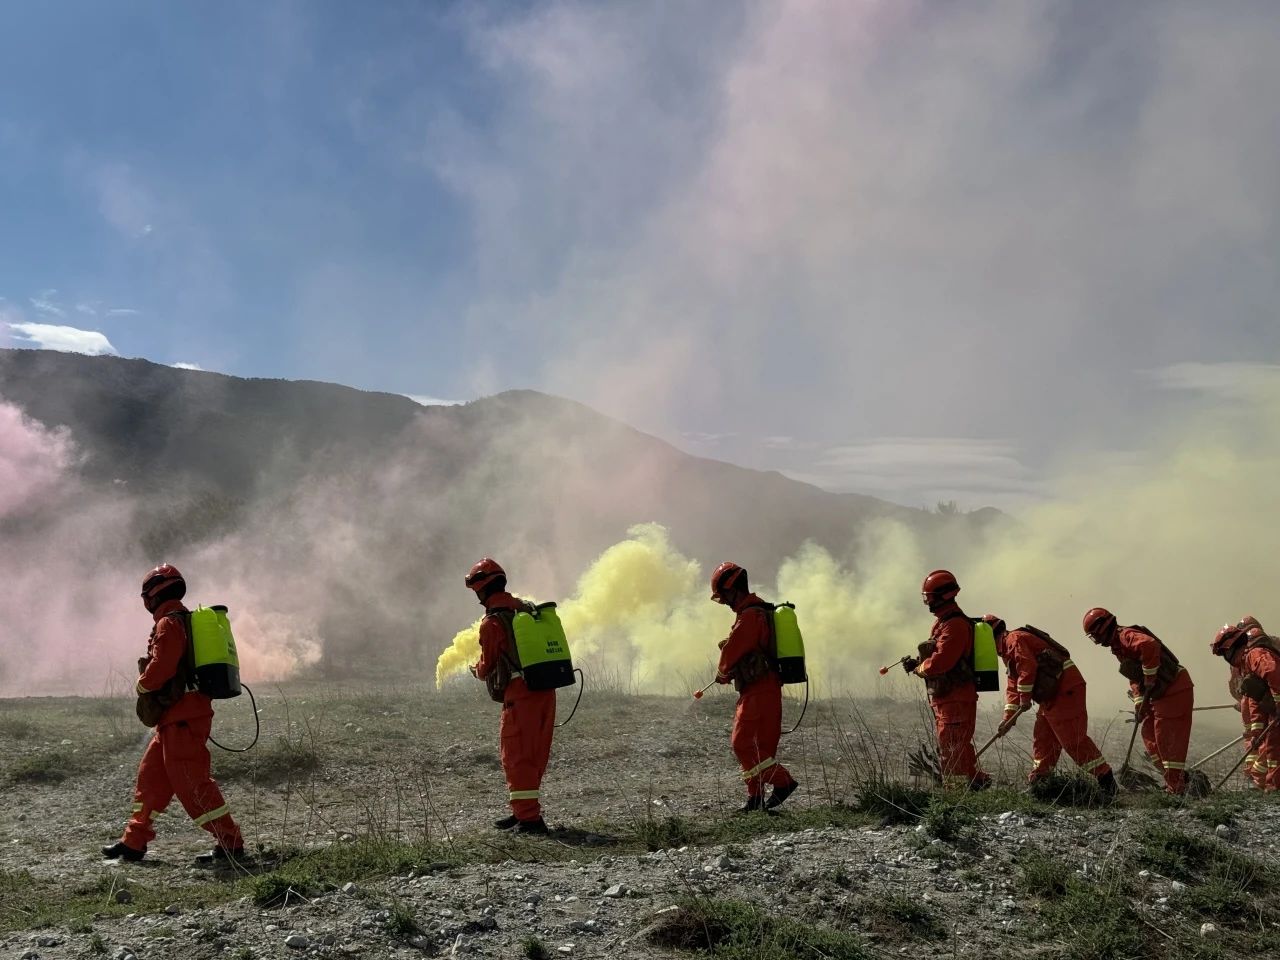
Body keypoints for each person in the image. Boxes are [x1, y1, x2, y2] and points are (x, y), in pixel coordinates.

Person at [102, 565, 245, 864]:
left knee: (192, 785)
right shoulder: (184, 620)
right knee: (151, 779)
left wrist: (142, 686)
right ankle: (133, 842)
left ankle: (230, 844)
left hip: (183, 719)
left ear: (152, 595)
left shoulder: (169, 624)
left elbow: (163, 667)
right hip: (175, 719)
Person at [466, 558, 554, 834]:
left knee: (515, 755)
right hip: (545, 689)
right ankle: (522, 812)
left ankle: (529, 820)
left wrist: (476, 670)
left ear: (483, 589)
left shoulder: (491, 623)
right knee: (534, 752)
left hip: (520, 695)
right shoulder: (524, 609)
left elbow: (487, 665)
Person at [984, 616, 1116, 795]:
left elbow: (1027, 668)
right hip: (1051, 695)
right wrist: (1007, 719)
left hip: (1065, 690)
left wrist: (1024, 699)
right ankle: (1040, 782)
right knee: (1043, 738)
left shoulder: (1014, 640)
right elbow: (1013, 686)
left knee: (1072, 740)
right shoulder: (1007, 649)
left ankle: (1106, 781)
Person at [710, 562, 799, 812]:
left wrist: (722, 672)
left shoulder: (750, 616)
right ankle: (755, 800)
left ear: (733, 589)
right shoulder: (759, 612)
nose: (725, 601)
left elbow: (733, 651)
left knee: (743, 744)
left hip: (757, 690)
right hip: (770, 688)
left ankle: (783, 782)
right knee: (761, 747)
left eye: (725, 595)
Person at [1083, 607, 1194, 794]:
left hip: (1174, 689)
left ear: (1102, 628)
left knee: (1165, 738)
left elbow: (1150, 645)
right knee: (1149, 734)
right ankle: (1175, 779)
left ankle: (1176, 788)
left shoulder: (1126, 635)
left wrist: (1149, 678)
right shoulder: (1118, 647)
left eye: (1095, 635)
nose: (1096, 641)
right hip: (1159, 694)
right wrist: (1139, 701)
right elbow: (1134, 677)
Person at [904, 571, 990, 790]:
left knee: (951, 748)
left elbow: (941, 662)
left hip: (956, 698)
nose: (928, 603)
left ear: (944, 595)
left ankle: (956, 794)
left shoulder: (955, 625)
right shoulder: (943, 623)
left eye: (930, 598)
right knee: (959, 747)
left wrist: (919, 669)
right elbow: (937, 655)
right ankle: (977, 783)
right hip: (949, 697)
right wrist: (917, 663)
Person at [1211, 618, 1280, 791]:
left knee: (1275, 750)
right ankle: (1272, 788)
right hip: (1273, 710)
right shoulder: (1247, 662)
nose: (1226, 658)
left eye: (1225, 654)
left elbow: (1274, 675)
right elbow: (1255, 701)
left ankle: (1273, 789)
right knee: (1272, 748)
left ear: (1232, 648)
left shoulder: (1255, 654)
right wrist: (1256, 732)